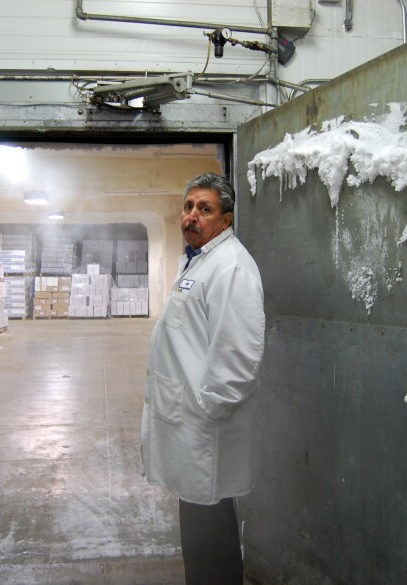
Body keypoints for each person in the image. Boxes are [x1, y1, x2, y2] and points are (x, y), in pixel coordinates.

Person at [141, 172, 266, 585]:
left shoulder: (231, 268)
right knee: (198, 529)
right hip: (190, 423)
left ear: (226, 219)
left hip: (204, 427)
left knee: (210, 537)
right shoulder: (199, 260)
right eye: (189, 207)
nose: (192, 216)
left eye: (205, 209)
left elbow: (238, 355)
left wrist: (208, 411)